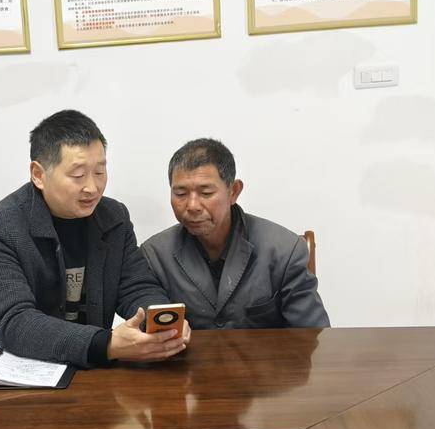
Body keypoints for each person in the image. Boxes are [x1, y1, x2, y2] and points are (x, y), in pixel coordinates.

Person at [0, 110, 191, 367]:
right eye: (77, 175)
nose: (92, 188)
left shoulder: (113, 217)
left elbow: (136, 287)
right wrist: (107, 345)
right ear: (38, 175)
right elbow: (17, 322)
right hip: (14, 370)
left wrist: (161, 323)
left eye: (99, 172)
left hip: (90, 370)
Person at [141, 138, 329, 330]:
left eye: (206, 193)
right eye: (180, 194)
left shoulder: (284, 250)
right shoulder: (154, 255)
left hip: (265, 352)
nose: (192, 206)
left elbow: (312, 335)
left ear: (234, 191)